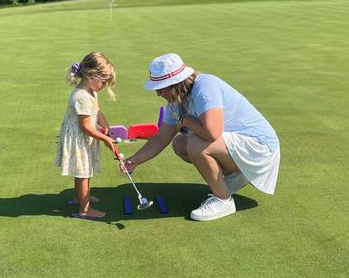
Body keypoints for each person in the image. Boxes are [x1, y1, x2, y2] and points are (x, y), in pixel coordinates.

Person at [124, 53, 280, 222]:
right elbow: (162, 138)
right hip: (242, 148)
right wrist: (135, 160)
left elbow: (212, 133)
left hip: (261, 149)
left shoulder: (205, 86)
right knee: (180, 143)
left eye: (160, 89)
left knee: (196, 143)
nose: (158, 94)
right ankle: (236, 175)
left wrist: (184, 119)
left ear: (174, 85)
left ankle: (223, 200)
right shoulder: (176, 101)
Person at [55, 52, 116, 219]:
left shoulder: (91, 91)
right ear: (90, 76)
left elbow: (97, 110)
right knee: (83, 173)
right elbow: (85, 126)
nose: (104, 85)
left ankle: (80, 197)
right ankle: (84, 210)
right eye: (103, 81)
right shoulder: (81, 97)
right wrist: (105, 138)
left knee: (83, 171)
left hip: (83, 138)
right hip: (79, 140)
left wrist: (105, 125)